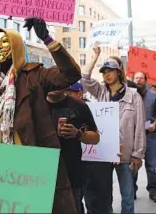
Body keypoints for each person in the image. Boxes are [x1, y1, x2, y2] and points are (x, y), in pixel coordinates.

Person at [0, 17, 81, 213]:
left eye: (4, 41)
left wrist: (47, 39)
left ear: (16, 45)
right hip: (2, 167)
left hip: (34, 162)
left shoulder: (34, 75)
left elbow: (70, 75)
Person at [80, 42, 146, 214]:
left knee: (127, 196)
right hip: (104, 154)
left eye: (110, 70)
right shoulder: (101, 92)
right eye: (104, 72)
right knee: (104, 195)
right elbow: (84, 77)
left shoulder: (134, 97)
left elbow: (139, 128)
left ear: (119, 72)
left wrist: (138, 154)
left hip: (125, 156)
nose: (107, 75)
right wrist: (95, 56)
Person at [47, 82, 100, 214]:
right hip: (43, 174)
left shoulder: (79, 106)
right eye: (49, 83)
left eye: (57, 82)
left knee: (73, 207)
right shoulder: (36, 105)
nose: (53, 86)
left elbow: (96, 138)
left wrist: (77, 134)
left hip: (71, 173)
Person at [132, 71, 156, 203]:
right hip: (133, 137)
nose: (138, 80)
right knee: (133, 166)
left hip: (150, 135)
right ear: (133, 80)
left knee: (151, 166)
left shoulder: (154, 95)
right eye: (136, 78)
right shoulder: (130, 96)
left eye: (141, 78)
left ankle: (153, 191)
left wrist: (155, 123)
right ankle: (132, 190)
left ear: (146, 80)